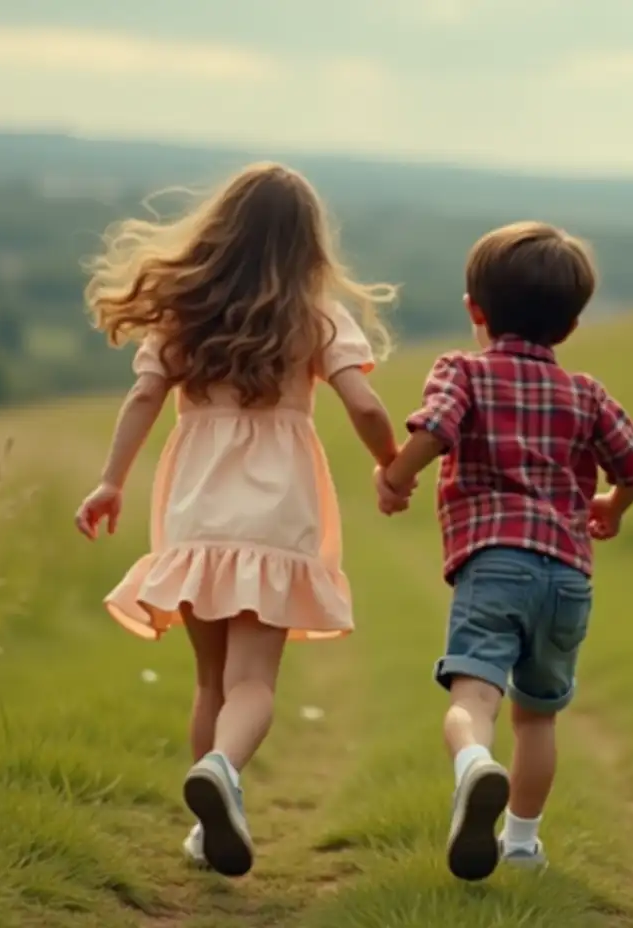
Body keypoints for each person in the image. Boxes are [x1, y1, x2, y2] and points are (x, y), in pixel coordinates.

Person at [73, 162, 403, 878]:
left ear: (219, 231)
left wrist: (110, 482)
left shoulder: (185, 311)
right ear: (306, 246)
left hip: (196, 516)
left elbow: (142, 400)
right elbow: (368, 408)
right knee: (254, 684)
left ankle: (205, 823)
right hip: (275, 521)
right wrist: (391, 465)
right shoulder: (316, 318)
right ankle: (223, 768)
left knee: (209, 683)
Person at [374, 221, 633, 882]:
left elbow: (438, 428)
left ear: (476, 309)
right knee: (538, 718)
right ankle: (523, 844)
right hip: (566, 578)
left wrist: (395, 477)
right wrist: (612, 505)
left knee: (474, 699)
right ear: (572, 324)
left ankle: (474, 763)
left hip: (494, 560)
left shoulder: (462, 370)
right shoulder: (587, 393)